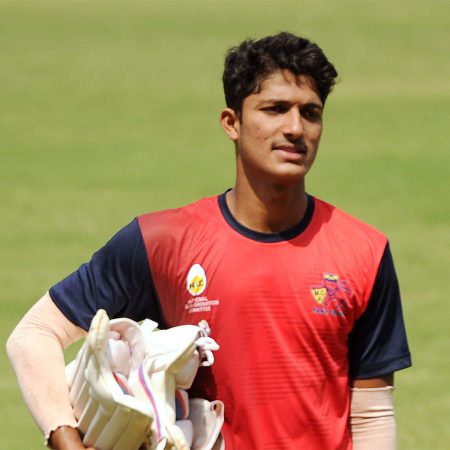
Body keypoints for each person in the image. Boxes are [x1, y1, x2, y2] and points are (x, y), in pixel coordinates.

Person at [7, 32, 411, 450]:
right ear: (231, 123)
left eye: (310, 113)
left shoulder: (365, 251)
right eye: (274, 109)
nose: (295, 128)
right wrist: (65, 438)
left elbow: (372, 413)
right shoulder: (162, 242)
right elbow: (34, 334)